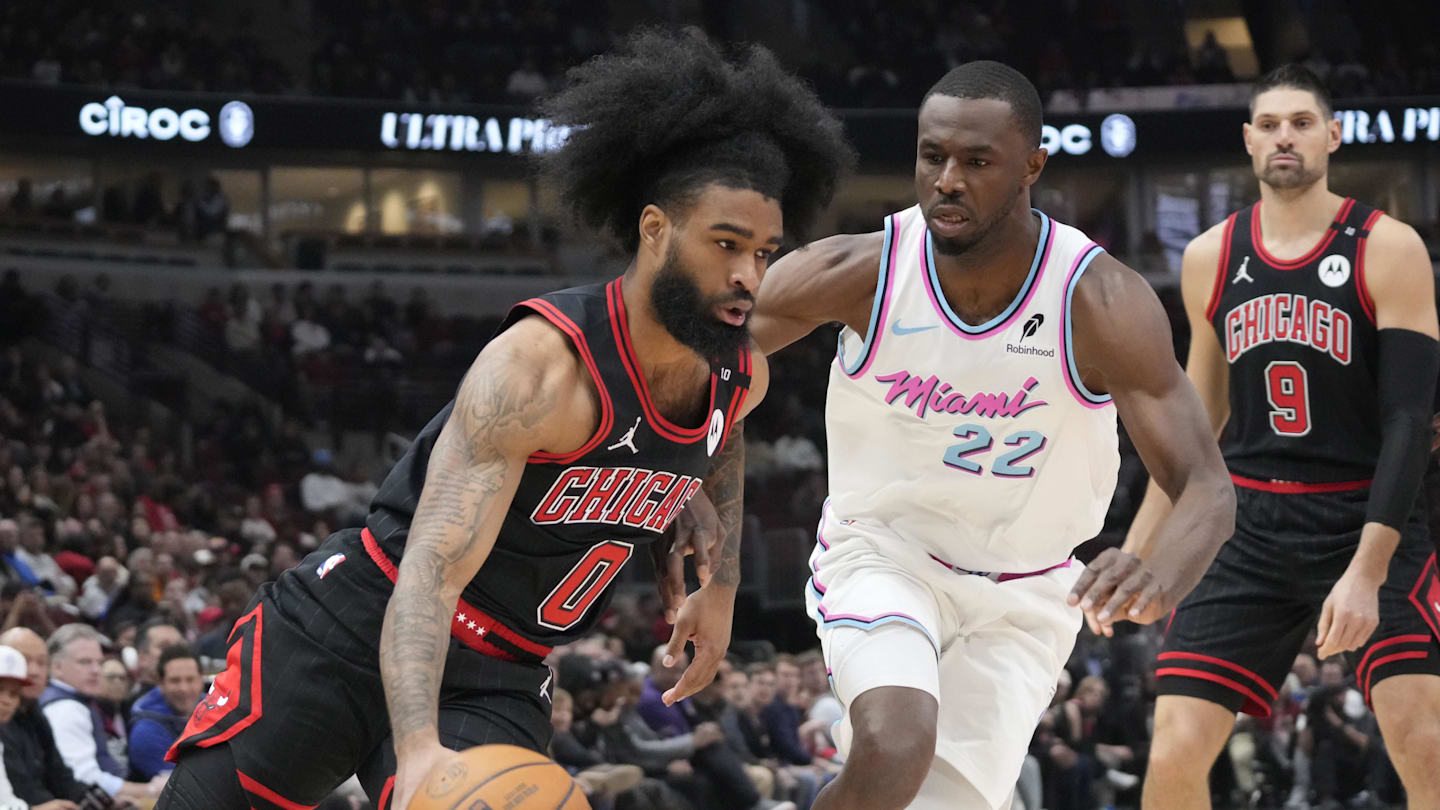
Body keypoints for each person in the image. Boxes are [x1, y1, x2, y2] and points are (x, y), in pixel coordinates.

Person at [158, 28, 852, 810]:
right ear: (656, 231)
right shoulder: (538, 370)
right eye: (726, 244)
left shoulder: (739, 371)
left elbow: (720, 437)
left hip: (499, 672)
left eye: (764, 253)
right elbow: (430, 572)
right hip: (359, 625)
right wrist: (419, 753)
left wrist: (716, 579)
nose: (746, 275)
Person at [680, 60, 1235, 809]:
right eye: (932, 155)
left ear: (1032, 167)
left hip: (1029, 591)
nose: (946, 179)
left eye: (977, 162)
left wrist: (1158, 573)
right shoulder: (857, 271)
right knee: (896, 739)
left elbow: (1206, 484)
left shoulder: (1099, 300)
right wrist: (718, 576)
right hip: (884, 552)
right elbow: (705, 370)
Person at [1126, 64, 1440, 810]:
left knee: (1421, 735)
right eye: (1269, 124)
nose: (1285, 137)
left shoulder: (1387, 246)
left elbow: (1407, 422)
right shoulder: (1210, 255)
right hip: (1251, 526)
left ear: (1333, 136)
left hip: (1365, 517)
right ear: (1247, 141)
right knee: (1172, 746)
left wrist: (1366, 571)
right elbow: (1196, 430)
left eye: (1301, 122)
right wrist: (1138, 555)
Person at [39, 625, 159, 804]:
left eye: (99, 662)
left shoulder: (78, 703)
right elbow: (85, 778)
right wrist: (151, 789)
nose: (96, 670)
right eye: (85, 662)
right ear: (57, 667)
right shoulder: (66, 708)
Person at [0, 627, 91, 808]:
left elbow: (9, 800)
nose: (6, 700)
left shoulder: (35, 713)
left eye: (13, 693)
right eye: (24, 660)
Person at [128, 645, 202, 781]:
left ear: (201, 680)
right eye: (175, 681)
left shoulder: (214, 707)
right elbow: (180, 786)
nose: (184, 688)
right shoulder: (145, 731)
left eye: (190, 679)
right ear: (160, 683)